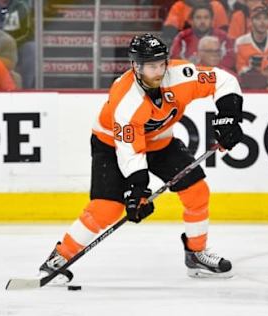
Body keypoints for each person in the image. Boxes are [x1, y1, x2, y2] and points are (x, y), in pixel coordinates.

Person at [38, 33, 244, 281]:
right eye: (151, 66)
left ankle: (196, 253)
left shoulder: (179, 75)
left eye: (161, 63)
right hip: (111, 145)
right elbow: (129, 151)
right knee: (107, 208)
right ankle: (58, 258)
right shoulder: (126, 100)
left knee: (197, 190)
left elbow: (224, 80)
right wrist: (136, 190)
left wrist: (227, 118)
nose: (158, 71)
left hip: (159, 142)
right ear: (136, 66)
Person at [170, 3, 234, 70]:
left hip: (217, 75)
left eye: (206, 17)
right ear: (192, 20)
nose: (202, 21)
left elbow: (230, 60)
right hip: (190, 75)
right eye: (198, 17)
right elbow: (174, 60)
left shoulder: (223, 36)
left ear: (212, 20)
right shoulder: (182, 37)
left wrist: (210, 70)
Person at [0, 0, 35, 88]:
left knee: (31, 47)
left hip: (17, 44)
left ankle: (26, 90)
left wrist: (11, 44)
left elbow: (28, 33)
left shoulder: (21, 6)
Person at [162, 0, 229, 45]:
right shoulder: (179, 6)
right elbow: (169, 34)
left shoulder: (217, 6)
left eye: (206, 17)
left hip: (212, 48)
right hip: (186, 47)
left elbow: (224, 37)